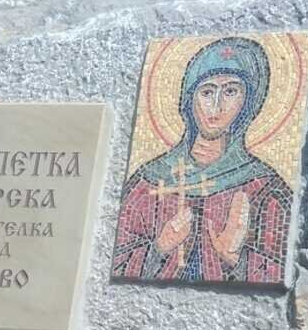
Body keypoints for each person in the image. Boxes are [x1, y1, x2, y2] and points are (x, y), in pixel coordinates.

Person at [112, 36, 292, 285]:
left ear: (248, 102)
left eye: (230, 91)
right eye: (207, 92)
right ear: (189, 99)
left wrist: (235, 258)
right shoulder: (148, 181)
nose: (216, 106)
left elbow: (283, 271)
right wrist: (159, 248)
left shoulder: (266, 188)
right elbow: (114, 261)